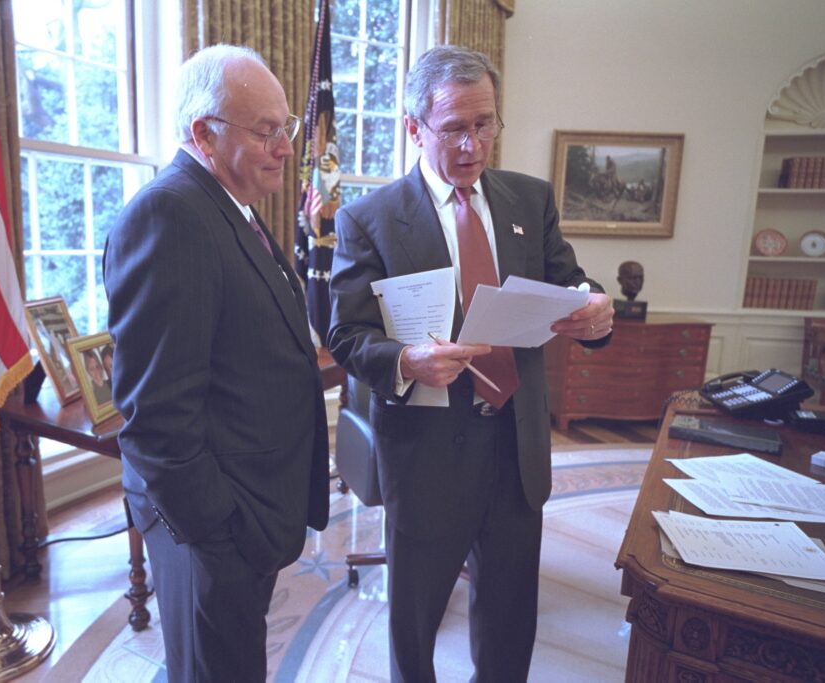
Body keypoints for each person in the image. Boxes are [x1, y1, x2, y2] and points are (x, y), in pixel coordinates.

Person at [328, 45, 614, 682]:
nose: (473, 145)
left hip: (517, 446)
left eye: (485, 124)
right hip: (427, 456)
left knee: (510, 623)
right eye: (454, 128)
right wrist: (406, 361)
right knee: (416, 629)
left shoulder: (529, 201)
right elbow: (346, 333)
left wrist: (595, 308)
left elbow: (571, 284)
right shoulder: (369, 220)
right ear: (414, 128)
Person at [103, 44, 329, 682]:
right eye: (266, 131)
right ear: (203, 133)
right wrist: (220, 535)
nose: (285, 148)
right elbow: (156, 417)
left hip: (250, 508)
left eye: (285, 128)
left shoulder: (231, 206)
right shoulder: (169, 214)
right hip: (212, 532)